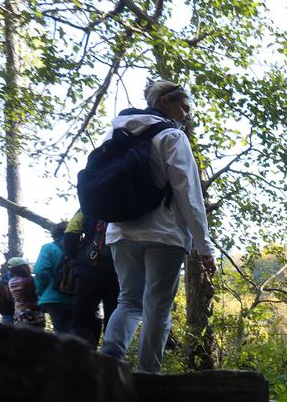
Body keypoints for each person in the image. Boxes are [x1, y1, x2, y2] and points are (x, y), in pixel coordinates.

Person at [99, 79, 216, 373]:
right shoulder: (172, 137)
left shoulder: (116, 131)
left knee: (128, 301)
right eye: (184, 107)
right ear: (165, 102)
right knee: (157, 308)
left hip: (122, 230)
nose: (187, 114)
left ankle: (107, 364)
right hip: (165, 234)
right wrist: (203, 246)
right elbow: (188, 193)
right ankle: (148, 375)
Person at [64, 210, 121, 348]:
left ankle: (83, 357)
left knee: (82, 320)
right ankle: (112, 358)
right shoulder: (127, 201)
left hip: (88, 269)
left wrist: (75, 257)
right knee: (115, 318)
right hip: (120, 271)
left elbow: (71, 232)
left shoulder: (88, 203)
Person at [34, 222, 74, 334]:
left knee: (62, 333)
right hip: (79, 298)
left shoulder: (49, 248)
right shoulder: (82, 248)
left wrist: (41, 291)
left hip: (55, 298)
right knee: (80, 332)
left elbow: (41, 271)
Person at [5, 256, 45, 329]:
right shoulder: (30, 281)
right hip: (33, 313)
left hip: (19, 313)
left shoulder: (11, 281)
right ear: (23, 268)